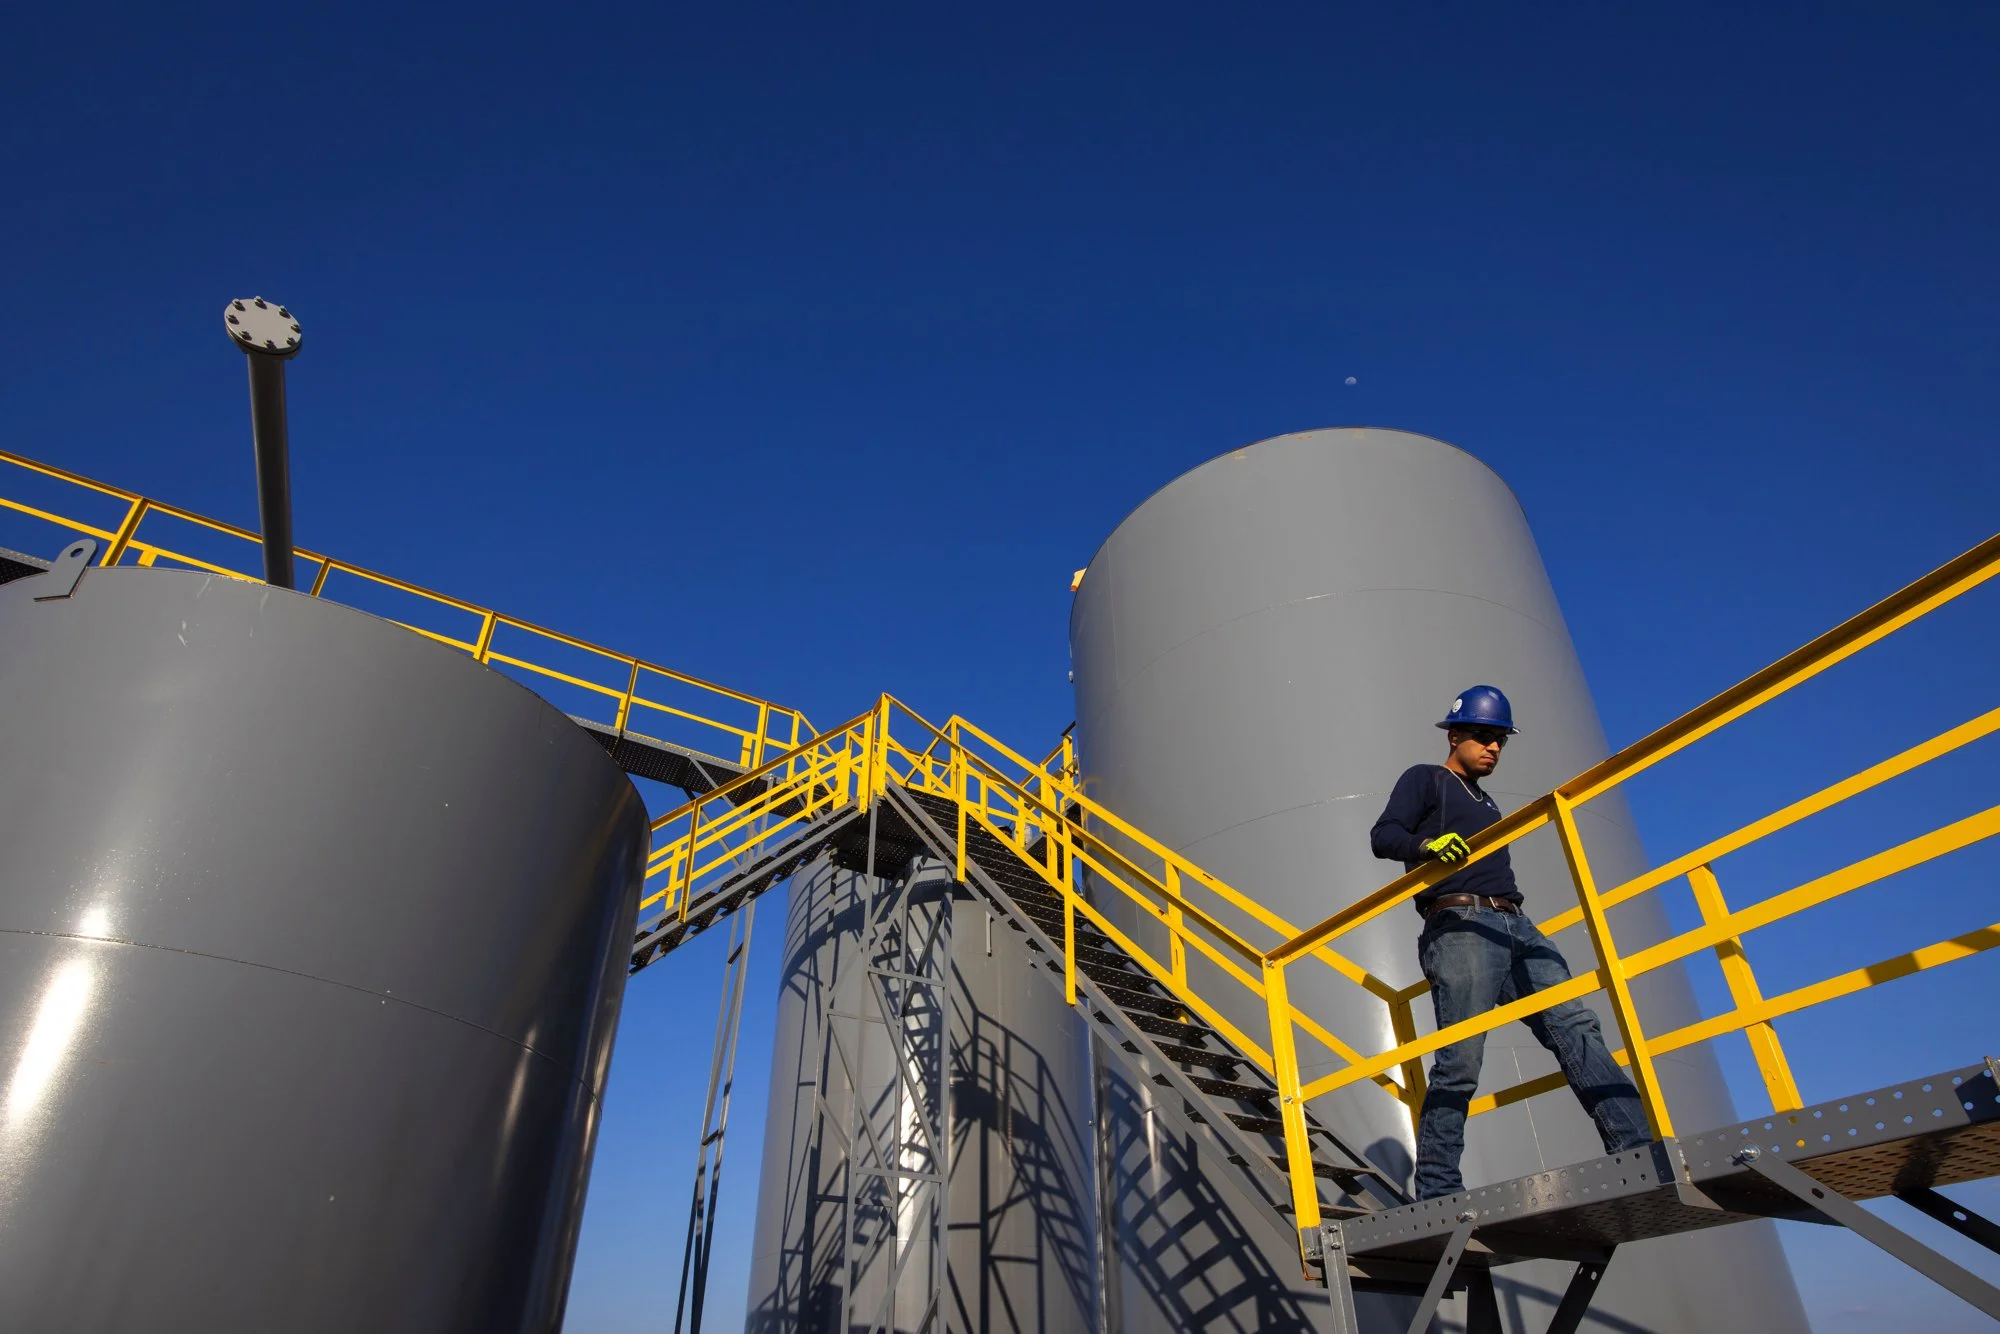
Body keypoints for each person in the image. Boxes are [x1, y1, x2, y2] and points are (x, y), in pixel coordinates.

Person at [1369, 685, 1651, 1200]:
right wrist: (1425, 845)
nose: (1493, 747)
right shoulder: (1426, 779)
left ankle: (1637, 1150)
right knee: (1461, 1059)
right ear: (1454, 735)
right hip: (1460, 925)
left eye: (1500, 739)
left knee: (1578, 1029)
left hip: (1518, 925)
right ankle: (1437, 1186)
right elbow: (1383, 835)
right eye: (1482, 736)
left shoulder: (1489, 802)